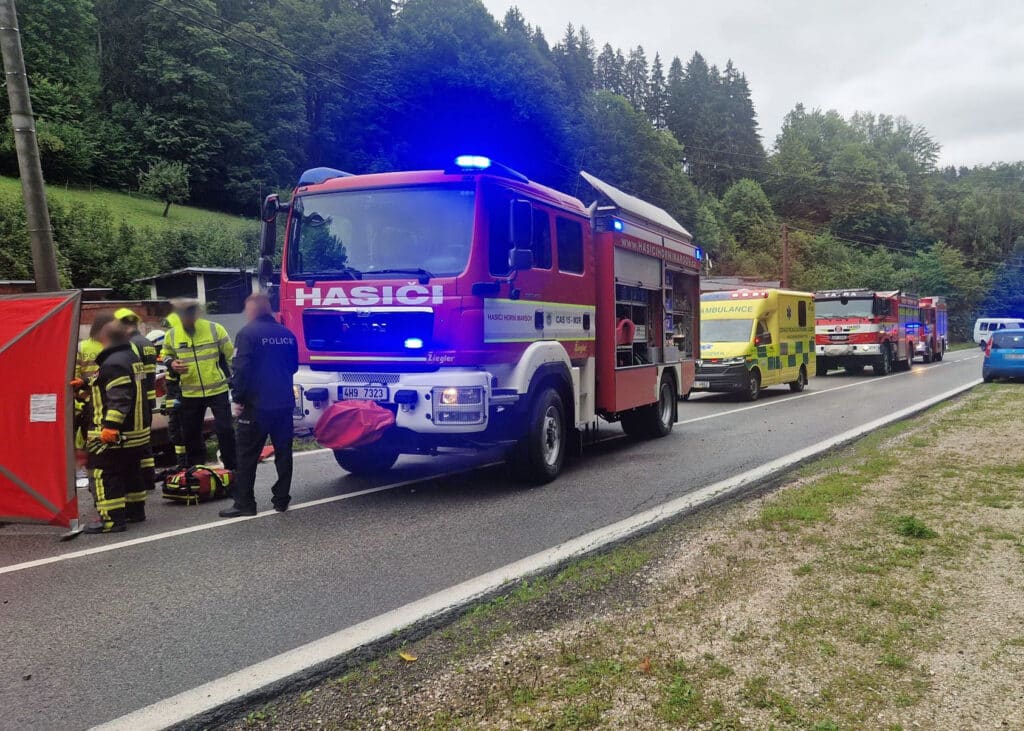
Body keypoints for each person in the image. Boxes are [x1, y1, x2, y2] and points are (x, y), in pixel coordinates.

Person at [219, 294, 298, 517]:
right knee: (284, 453)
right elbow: (292, 366)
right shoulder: (287, 334)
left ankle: (245, 503)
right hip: (283, 404)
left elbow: (241, 370)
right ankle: (282, 499)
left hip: (256, 405)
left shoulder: (247, 334)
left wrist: (239, 399)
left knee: (246, 455)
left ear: (252, 310)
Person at [83, 320, 151, 533]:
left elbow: (120, 396)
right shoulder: (130, 358)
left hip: (117, 434)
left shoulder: (113, 363)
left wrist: (110, 426)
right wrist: (85, 384)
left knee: (103, 472)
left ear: (104, 339)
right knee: (130, 470)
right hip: (136, 432)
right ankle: (135, 511)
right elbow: (120, 385)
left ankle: (111, 520)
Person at [159, 299, 237, 470]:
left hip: (217, 388)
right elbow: (165, 355)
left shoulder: (215, 329)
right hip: (190, 391)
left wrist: (238, 381)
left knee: (225, 430)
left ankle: (232, 468)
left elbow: (232, 357)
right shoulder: (171, 335)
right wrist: (171, 363)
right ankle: (197, 470)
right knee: (191, 433)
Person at [115, 308, 158, 487]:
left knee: (135, 443)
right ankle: (148, 478)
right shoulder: (147, 342)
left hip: (136, 400)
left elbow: (133, 374)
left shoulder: (131, 345)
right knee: (145, 440)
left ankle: (140, 480)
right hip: (149, 399)